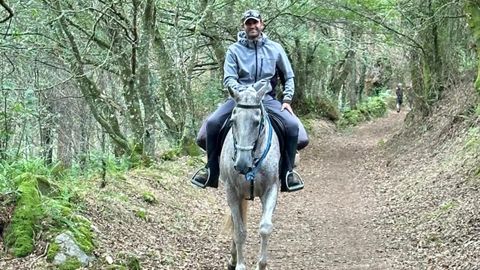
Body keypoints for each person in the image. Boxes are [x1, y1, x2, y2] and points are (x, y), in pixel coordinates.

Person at [191, 9, 307, 192]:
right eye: (248, 23)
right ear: (243, 26)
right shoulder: (234, 50)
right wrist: (242, 94)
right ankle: (211, 170)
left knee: (293, 128)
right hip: (240, 100)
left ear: (262, 24)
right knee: (211, 125)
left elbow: (288, 76)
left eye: (255, 22)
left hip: (266, 98)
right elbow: (229, 78)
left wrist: (287, 99)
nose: (252, 26)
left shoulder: (275, 48)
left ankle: (287, 174)